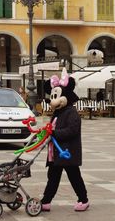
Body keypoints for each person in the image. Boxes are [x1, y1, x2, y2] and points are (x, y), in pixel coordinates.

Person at [41, 68, 89, 212]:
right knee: (53, 177)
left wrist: (54, 133)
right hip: (57, 152)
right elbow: (54, 128)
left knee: (74, 177)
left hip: (68, 152)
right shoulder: (58, 112)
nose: (54, 100)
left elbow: (72, 131)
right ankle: (46, 201)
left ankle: (83, 199)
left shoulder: (72, 113)